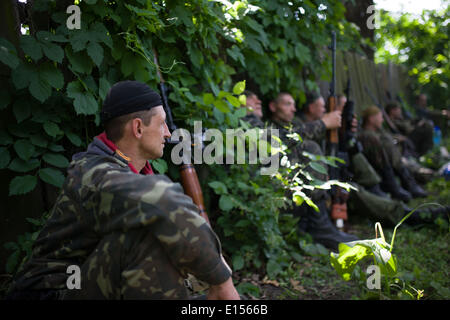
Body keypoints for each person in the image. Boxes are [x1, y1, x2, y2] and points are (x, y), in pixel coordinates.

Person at [6, 81, 240, 300]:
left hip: (84, 284)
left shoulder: (131, 174)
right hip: (52, 291)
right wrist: (221, 281)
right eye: (162, 124)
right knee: (150, 234)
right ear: (138, 128)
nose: (168, 133)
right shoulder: (92, 172)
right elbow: (164, 200)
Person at [268, 92, 358, 251]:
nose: (293, 109)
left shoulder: (295, 124)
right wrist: (323, 124)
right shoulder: (268, 128)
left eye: (294, 104)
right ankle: (319, 226)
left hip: (303, 198)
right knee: (310, 147)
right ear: (273, 107)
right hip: (281, 197)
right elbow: (288, 137)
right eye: (287, 104)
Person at [358, 106, 427, 201]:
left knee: (388, 141)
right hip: (379, 171)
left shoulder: (377, 133)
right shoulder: (367, 136)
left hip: (389, 166)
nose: (382, 120)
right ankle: (401, 184)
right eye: (380, 117)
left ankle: (404, 182)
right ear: (371, 119)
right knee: (387, 143)